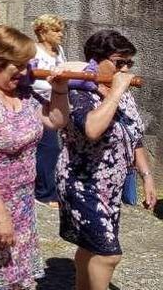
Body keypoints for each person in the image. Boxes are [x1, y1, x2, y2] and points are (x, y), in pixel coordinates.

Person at [0, 25, 69, 290]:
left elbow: (56, 120)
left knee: (19, 280)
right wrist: (0, 217)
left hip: (23, 205)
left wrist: (60, 89)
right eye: (18, 66)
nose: (24, 72)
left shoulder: (22, 92)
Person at [57, 30, 157, 290]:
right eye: (118, 62)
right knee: (108, 253)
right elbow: (91, 129)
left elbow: (134, 137)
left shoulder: (123, 93)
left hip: (109, 186)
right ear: (96, 59)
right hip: (82, 182)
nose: (124, 69)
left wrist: (147, 177)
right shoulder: (79, 90)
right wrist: (115, 93)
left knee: (91, 245)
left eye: (128, 63)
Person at [31, 14, 67, 206]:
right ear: (43, 33)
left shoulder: (59, 50)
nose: (61, 34)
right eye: (56, 30)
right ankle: (44, 193)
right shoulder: (34, 51)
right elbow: (32, 77)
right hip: (37, 101)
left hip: (56, 101)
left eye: (61, 30)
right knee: (49, 146)